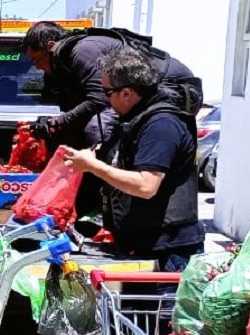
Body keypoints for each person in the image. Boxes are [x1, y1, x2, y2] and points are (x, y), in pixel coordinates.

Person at [23, 21, 202, 217]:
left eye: (37, 60)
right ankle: (85, 204)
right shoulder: (64, 63)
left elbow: (99, 99)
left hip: (174, 87)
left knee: (97, 128)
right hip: (142, 92)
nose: (38, 68)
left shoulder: (83, 51)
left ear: (50, 46)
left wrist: (57, 122)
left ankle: (105, 206)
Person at [62, 47, 204, 274]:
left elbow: (145, 185)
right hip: (141, 244)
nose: (106, 100)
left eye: (108, 92)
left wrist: (92, 166)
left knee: (162, 310)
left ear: (127, 93)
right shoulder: (135, 120)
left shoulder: (161, 125)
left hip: (168, 250)